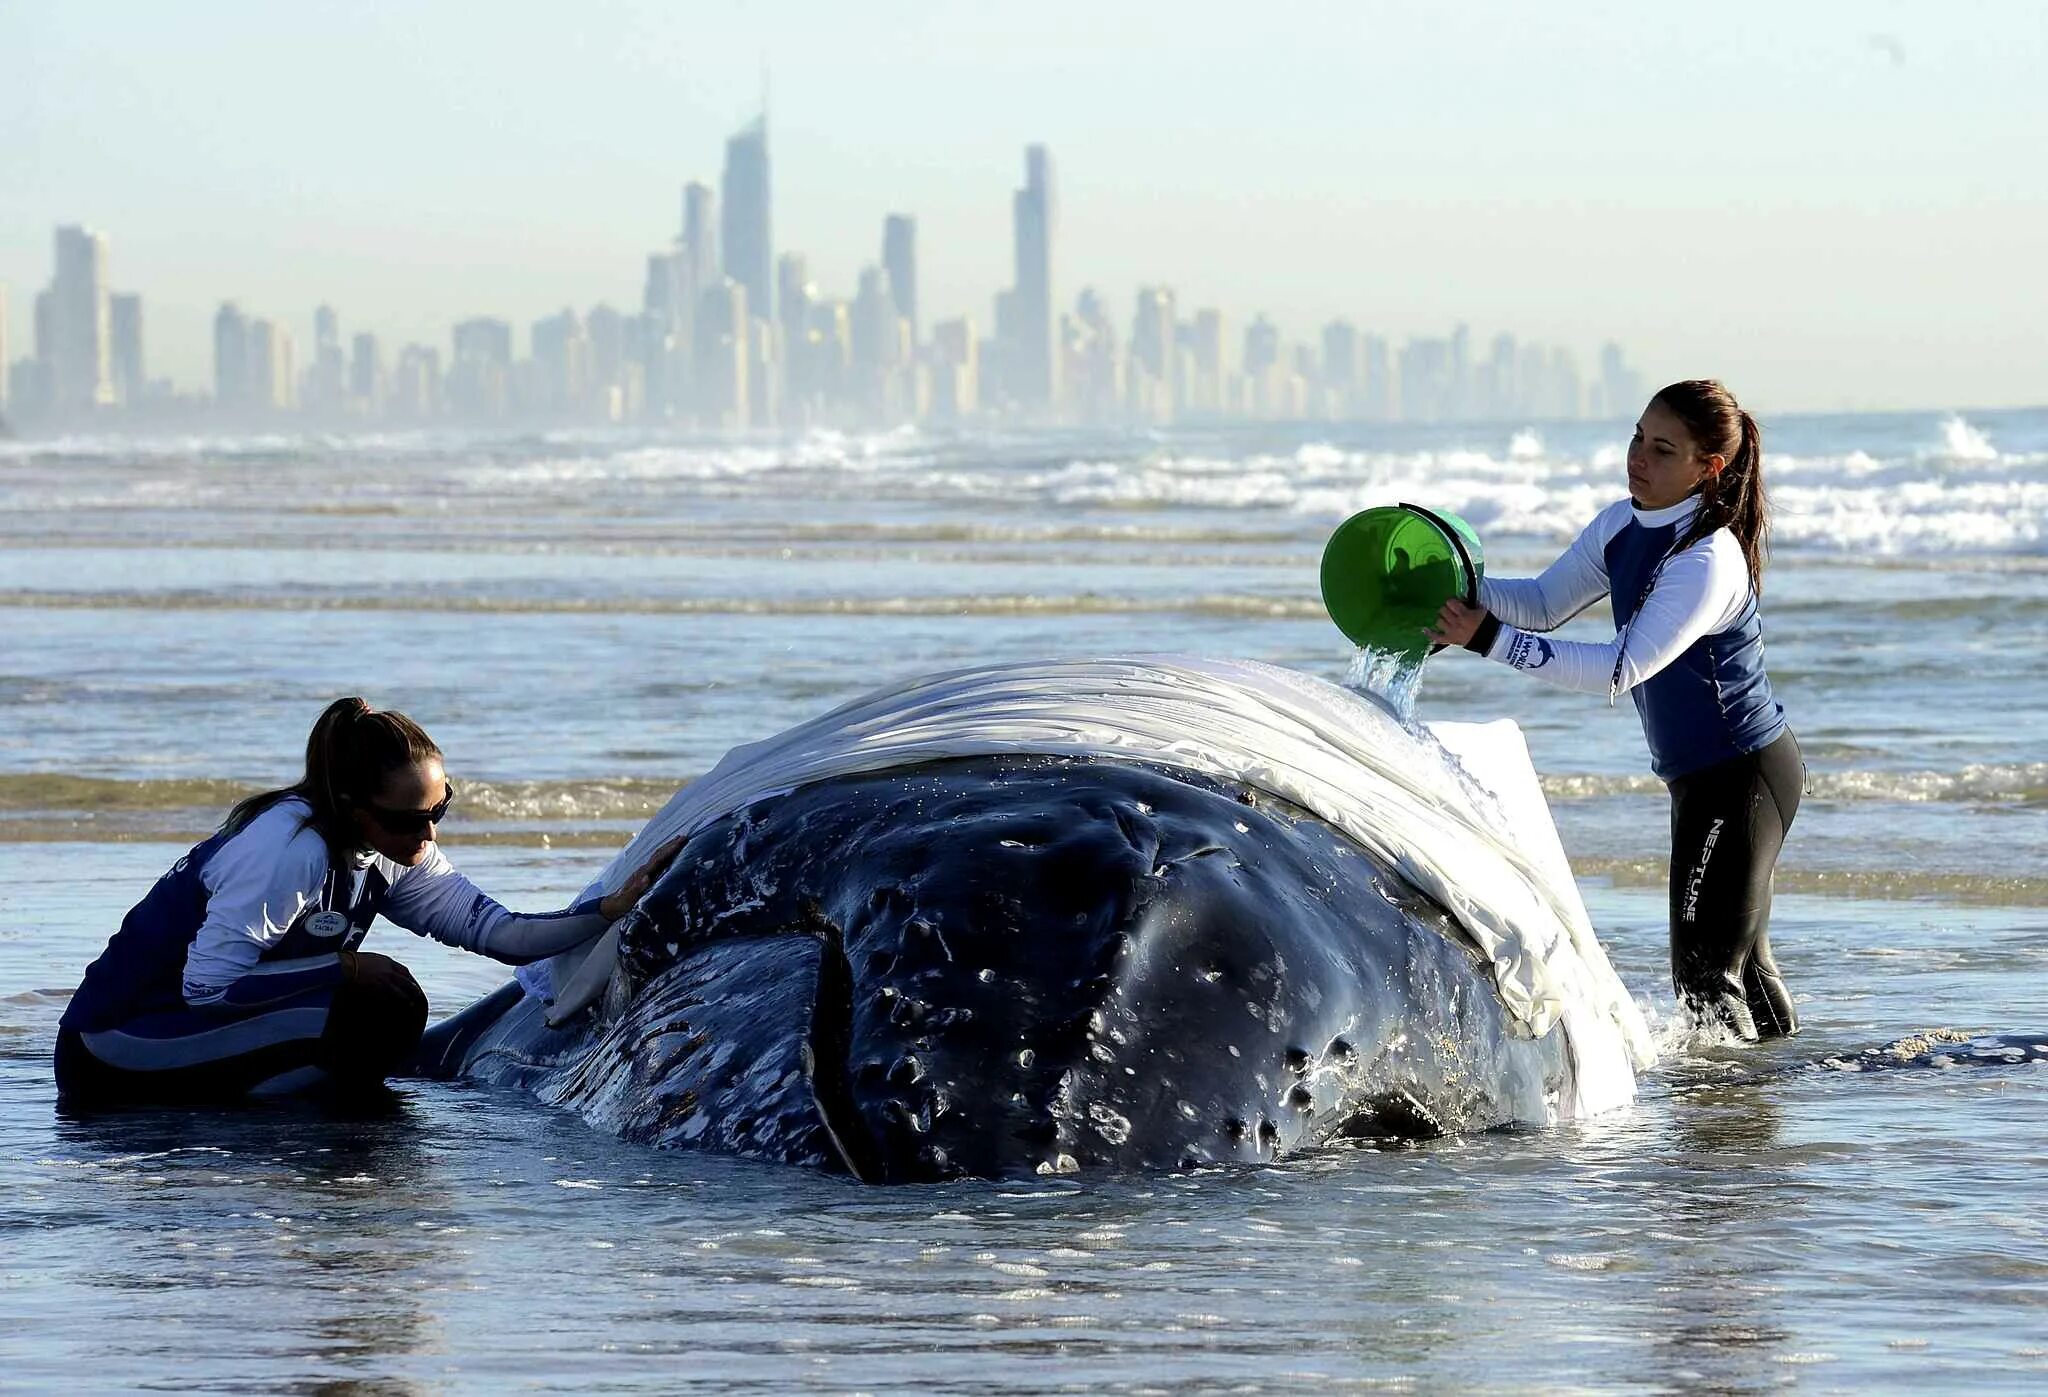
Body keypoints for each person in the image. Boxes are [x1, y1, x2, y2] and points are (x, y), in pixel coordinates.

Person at [55, 697, 681, 1104]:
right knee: (375, 1005)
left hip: (196, 1025)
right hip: (117, 1046)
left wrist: (610, 908)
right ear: (355, 808)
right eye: (411, 819)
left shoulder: (389, 847)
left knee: (388, 1008)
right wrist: (345, 966)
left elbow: (499, 933)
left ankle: (290, 1102)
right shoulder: (286, 850)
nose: (428, 834)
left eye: (440, 810)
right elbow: (207, 989)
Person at [1427, 379, 1802, 1041]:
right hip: (1703, 779)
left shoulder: (1706, 559)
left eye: (1663, 448)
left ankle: (1725, 1133)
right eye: (1638, 436)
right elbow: (1543, 601)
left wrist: (1485, 638)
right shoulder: (1622, 524)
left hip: (1742, 778)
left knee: (1705, 975)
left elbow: (1617, 668)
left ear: (1706, 468)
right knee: (1739, 968)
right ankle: (1768, 1109)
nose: (1639, 456)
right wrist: (1456, 588)